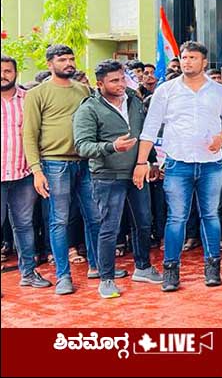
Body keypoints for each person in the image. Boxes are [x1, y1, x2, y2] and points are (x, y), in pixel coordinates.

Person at [136, 41, 222, 292]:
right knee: (176, 218)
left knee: (211, 216)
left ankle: (212, 267)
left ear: (204, 62)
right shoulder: (166, 90)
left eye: (193, 57)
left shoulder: (219, 91)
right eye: (184, 57)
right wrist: (142, 162)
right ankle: (171, 270)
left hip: (211, 165)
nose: (187, 61)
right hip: (177, 163)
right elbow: (150, 128)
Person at [73, 60, 163, 298]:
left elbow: (144, 133)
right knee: (109, 228)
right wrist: (111, 147)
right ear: (99, 83)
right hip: (107, 176)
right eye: (114, 81)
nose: (121, 84)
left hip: (137, 172)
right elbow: (82, 146)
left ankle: (143, 267)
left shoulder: (134, 100)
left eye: (123, 78)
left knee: (144, 222)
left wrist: (151, 161)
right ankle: (107, 279)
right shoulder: (88, 109)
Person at [23, 45, 99, 295]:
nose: (68, 63)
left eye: (71, 58)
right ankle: (63, 276)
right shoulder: (37, 94)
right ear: (49, 64)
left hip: (85, 163)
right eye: (62, 59)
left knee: (95, 217)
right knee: (59, 221)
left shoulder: (85, 91)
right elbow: (29, 134)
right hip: (54, 164)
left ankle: (99, 267)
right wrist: (36, 169)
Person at [0, 55, 51, 289]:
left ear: (16, 73)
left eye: (8, 71)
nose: (3, 75)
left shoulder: (29, 99)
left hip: (24, 173)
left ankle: (28, 273)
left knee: (24, 225)